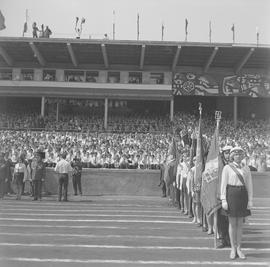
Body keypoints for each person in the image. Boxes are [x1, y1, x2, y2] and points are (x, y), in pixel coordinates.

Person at [221, 147, 253, 260]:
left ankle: (239, 248)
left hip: (242, 195)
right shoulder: (227, 168)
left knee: (240, 223)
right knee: (232, 223)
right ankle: (233, 248)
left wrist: (250, 200)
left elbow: (249, 185)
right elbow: (223, 184)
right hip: (231, 195)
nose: (238, 156)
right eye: (236, 154)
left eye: (240, 154)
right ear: (232, 156)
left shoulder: (246, 168)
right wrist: (223, 199)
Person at [217, 145, 232, 248]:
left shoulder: (236, 164)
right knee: (221, 218)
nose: (228, 155)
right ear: (223, 154)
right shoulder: (219, 164)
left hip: (231, 194)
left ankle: (230, 239)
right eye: (226, 153)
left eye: (229, 153)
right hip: (221, 194)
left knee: (231, 218)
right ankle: (223, 239)